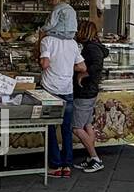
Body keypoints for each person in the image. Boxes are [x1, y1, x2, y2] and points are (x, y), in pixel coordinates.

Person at [39, 24, 88, 177]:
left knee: (50, 128)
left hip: (50, 90)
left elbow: (45, 64)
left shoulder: (47, 41)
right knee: (66, 129)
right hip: (67, 90)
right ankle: (67, 165)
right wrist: (66, 66)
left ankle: (55, 165)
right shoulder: (72, 43)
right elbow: (82, 66)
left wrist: (49, 63)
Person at [72, 19, 108, 173]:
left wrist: (83, 74)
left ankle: (95, 158)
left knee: (76, 127)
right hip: (90, 91)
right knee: (87, 125)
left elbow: (96, 67)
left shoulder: (91, 48)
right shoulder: (95, 46)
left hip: (85, 92)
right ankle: (90, 157)